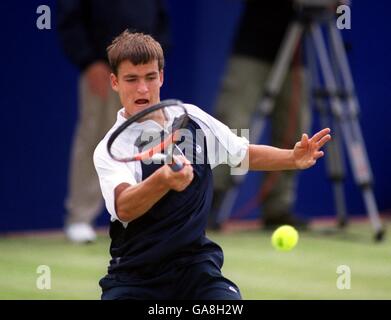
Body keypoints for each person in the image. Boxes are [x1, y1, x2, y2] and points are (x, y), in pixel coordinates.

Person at [93, 30, 331, 299]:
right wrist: (163, 180)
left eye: (150, 77)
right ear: (115, 82)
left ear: (161, 76)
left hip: (195, 269)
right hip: (135, 278)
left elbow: (241, 154)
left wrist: (292, 158)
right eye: (131, 79)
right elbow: (124, 207)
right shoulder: (112, 148)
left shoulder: (191, 118)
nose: (143, 89)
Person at [57, 0, 170, 243]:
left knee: (151, 138)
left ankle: (150, 219)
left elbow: (160, 16)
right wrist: (88, 61)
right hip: (101, 66)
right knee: (96, 136)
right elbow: (70, 18)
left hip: (144, 68)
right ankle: (80, 218)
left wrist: (156, 61)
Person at [211, 0, 311, 230]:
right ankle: (211, 202)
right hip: (253, 44)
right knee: (232, 125)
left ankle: (278, 207)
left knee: (295, 128)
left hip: (295, 50)